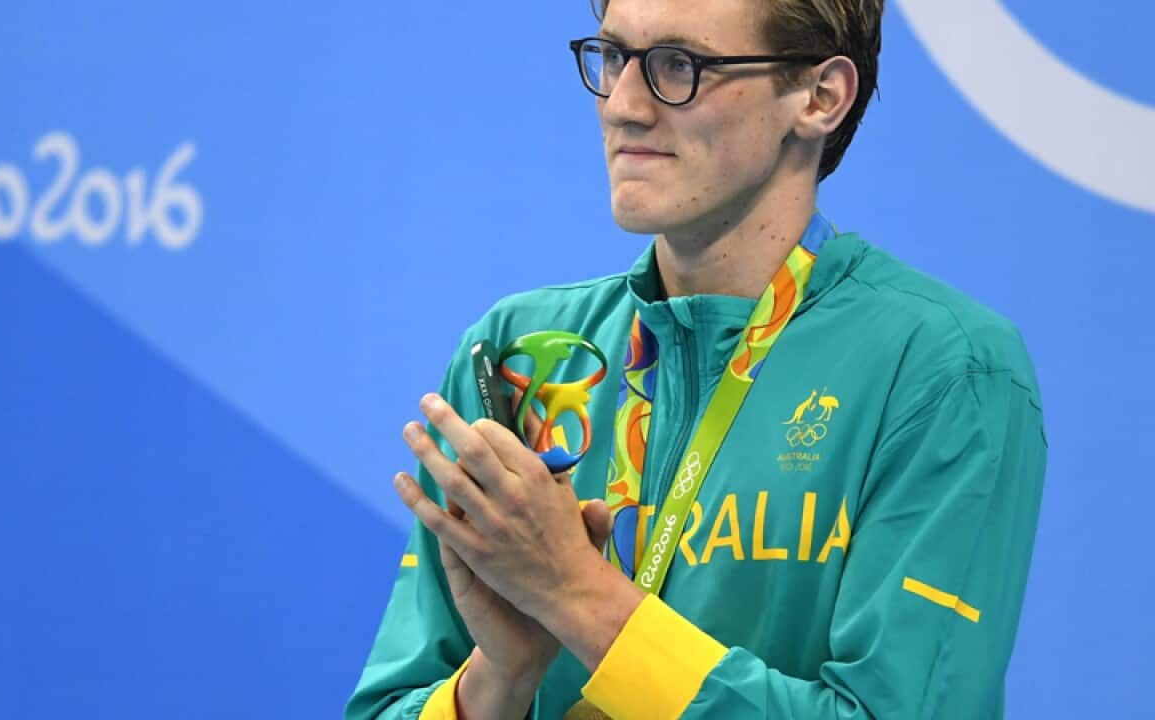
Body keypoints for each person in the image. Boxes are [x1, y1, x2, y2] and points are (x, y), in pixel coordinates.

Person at [346, 0, 1047, 717]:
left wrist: (576, 596)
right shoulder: (521, 356)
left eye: (678, 66)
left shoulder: (942, 368)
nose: (622, 105)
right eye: (614, 57)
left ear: (819, 97)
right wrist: (500, 678)